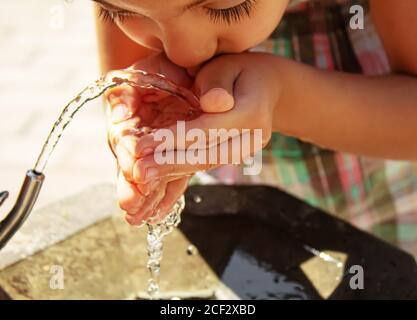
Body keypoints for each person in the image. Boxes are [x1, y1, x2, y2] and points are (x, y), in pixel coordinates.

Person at [94, 0, 417, 254]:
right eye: (122, 11)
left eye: (227, 6)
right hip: (241, 220)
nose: (184, 52)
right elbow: (127, 84)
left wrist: (282, 97)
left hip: (393, 213)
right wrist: (144, 134)